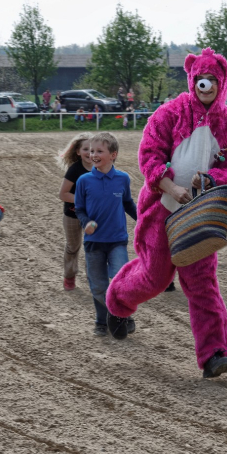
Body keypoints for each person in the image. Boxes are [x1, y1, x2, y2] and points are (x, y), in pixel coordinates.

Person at [106, 48, 227, 379]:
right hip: (161, 208)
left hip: (200, 214)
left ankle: (214, 353)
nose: (205, 85)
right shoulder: (169, 113)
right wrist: (170, 187)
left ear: (222, 82)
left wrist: (211, 179)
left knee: (202, 283)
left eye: (212, 79)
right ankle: (118, 300)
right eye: (200, 79)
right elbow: (149, 154)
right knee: (155, 278)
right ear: (191, 79)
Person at [74, 132, 138, 337]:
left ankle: (124, 315)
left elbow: (128, 203)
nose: (93, 155)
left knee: (121, 281)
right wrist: (86, 222)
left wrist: (143, 220)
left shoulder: (122, 179)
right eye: (92, 151)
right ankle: (102, 321)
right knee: (98, 285)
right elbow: (79, 209)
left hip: (117, 240)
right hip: (93, 242)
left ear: (113, 155)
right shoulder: (83, 181)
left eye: (99, 151)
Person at [58, 132, 94, 291]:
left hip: (93, 216)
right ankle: (69, 276)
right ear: (78, 152)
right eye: (85, 149)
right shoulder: (74, 170)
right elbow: (63, 194)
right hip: (72, 215)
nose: (89, 153)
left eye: (92, 149)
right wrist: (84, 200)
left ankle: (93, 278)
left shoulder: (101, 168)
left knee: (93, 247)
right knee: (73, 247)